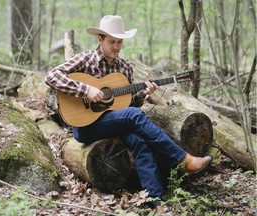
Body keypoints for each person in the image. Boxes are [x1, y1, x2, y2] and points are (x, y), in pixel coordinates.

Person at [45, 15, 212, 214]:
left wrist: (143, 93)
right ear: (100, 39)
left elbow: (128, 105)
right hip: (85, 126)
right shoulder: (85, 59)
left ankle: (156, 202)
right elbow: (51, 76)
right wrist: (85, 90)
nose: (116, 47)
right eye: (111, 42)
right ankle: (182, 159)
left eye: (119, 42)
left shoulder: (124, 68)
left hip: (113, 121)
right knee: (133, 116)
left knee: (140, 142)